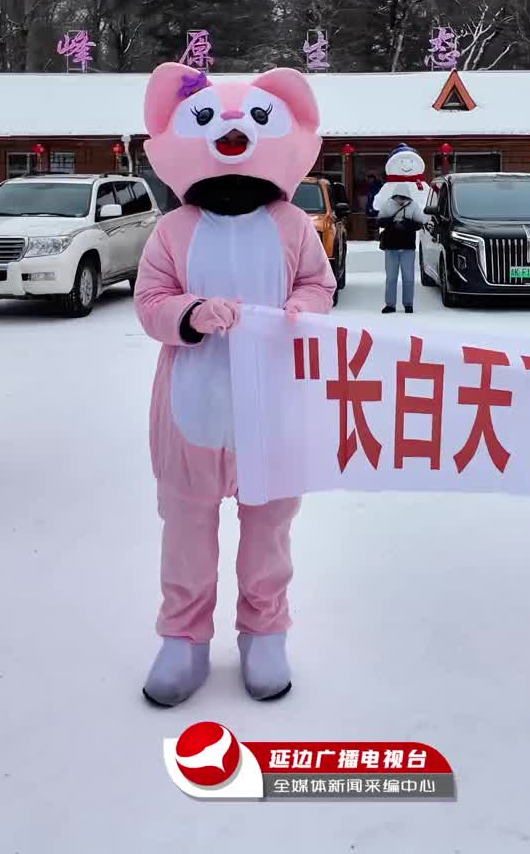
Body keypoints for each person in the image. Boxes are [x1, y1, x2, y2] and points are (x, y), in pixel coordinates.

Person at [134, 63, 336, 707]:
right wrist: (188, 316)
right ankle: (184, 638)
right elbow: (149, 300)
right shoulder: (172, 231)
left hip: (272, 404)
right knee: (186, 531)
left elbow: (318, 283)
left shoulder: (293, 226)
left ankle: (263, 630)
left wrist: (304, 312)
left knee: (268, 530)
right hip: (195, 403)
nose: (230, 137)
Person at [373, 144, 431, 314]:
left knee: (408, 278)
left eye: (404, 198)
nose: (401, 200)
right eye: (399, 198)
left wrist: (407, 224)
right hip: (391, 246)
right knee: (391, 278)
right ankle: (390, 304)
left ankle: (408, 304)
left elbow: (421, 221)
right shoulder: (387, 205)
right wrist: (391, 223)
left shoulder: (413, 206)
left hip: (407, 246)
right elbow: (379, 221)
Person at [364, 172, 382, 239]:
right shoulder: (370, 187)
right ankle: (371, 236)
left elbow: (374, 198)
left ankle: (374, 236)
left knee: (374, 223)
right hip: (371, 208)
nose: (369, 181)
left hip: (374, 209)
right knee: (371, 223)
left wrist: (371, 208)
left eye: (370, 179)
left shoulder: (375, 187)